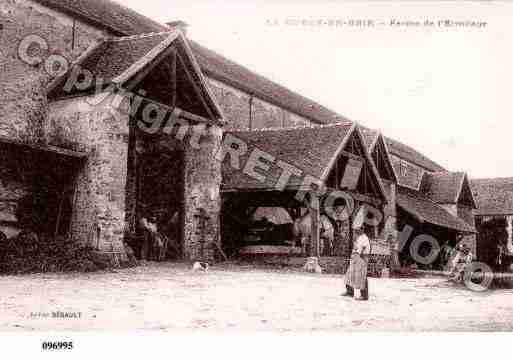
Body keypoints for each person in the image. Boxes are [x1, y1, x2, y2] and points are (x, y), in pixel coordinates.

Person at [342, 225, 371, 301]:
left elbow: (363, 248)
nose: (356, 231)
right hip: (356, 257)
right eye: (356, 230)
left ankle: (364, 296)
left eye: (357, 230)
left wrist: (359, 256)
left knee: (362, 276)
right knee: (350, 274)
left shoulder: (364, 238)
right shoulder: (359, 237)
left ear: (362, 230)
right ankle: (350, 291)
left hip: (361, 257)